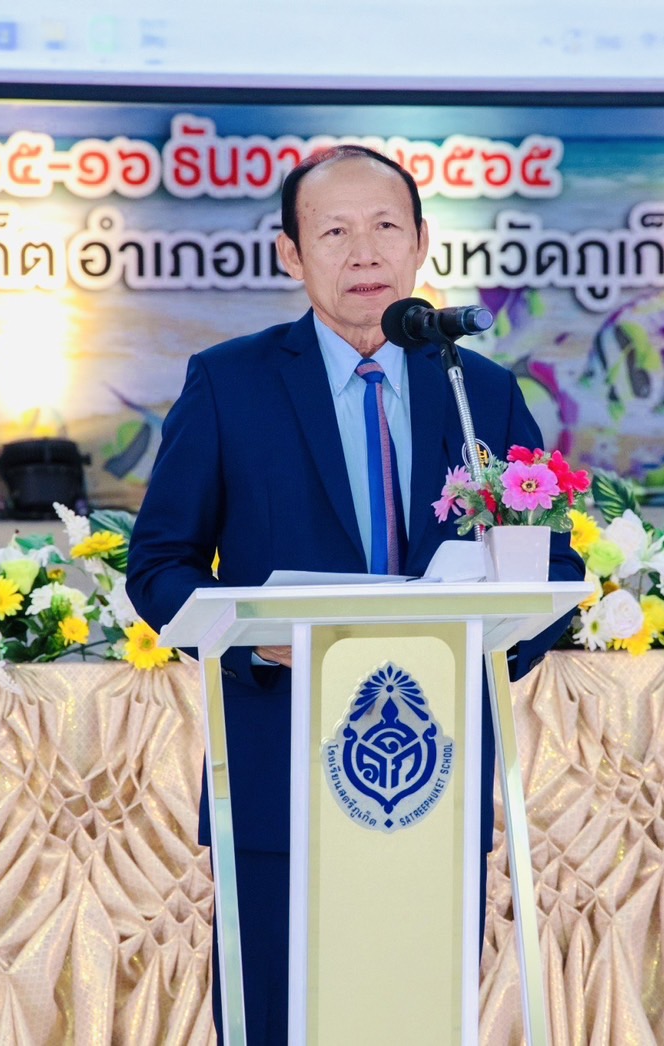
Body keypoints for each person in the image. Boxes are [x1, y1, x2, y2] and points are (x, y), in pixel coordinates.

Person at [125, 144, 583, 1045]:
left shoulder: (476, 389)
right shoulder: (231, 383)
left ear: (420, 244)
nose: (363, 252)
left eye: (384, 228)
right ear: (292, 255)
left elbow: (551, 565)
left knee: (414, 1016)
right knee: (276, 1019)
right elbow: (161, 565)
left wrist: (489, 639)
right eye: (333, 231)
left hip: (433, 773)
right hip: (279, 768)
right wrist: (259, 640)